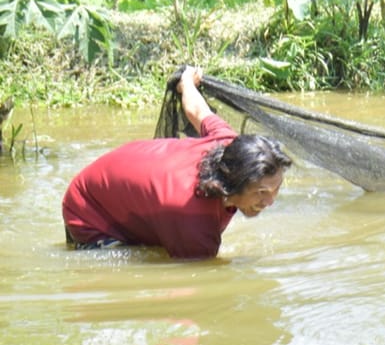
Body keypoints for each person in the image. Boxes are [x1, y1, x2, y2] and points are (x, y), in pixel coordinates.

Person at [62, 66, 292, 258]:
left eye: (276, 189)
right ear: (231, 183)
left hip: (117, 185)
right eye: (262, 192)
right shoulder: (193, 220)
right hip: (89, 210)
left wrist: (187, 83)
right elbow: (197, 285)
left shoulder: (227, 143)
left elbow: (197, 109)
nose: (270, 201)